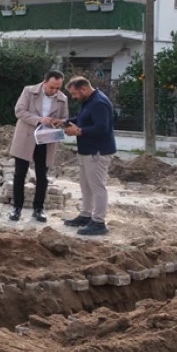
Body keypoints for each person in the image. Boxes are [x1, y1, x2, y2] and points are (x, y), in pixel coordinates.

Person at [8, 70, 69, 222]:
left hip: (46, 139)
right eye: (51, 87)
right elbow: (19, 111)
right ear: (44, 82)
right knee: (20, 173)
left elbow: (64, 118)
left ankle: (38, 209)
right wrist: (39, 119)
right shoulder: (29, 91)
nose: (54, 91)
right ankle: (17, 208)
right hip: (26, 136)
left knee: (42, 176)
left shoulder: (62, 98)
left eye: (58, 88)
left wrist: (59, 122)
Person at [58, 76, 115, 236]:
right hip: (86, 150)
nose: (73, 97)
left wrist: (78, 131)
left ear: (83, 89)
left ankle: (99, 222)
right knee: (86, 185)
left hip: (97, 152)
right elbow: (83, 119)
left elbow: (102, 128)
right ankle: (86, 215)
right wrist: (64, 122)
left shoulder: (99, 103)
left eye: (74, 93)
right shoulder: (89, 101)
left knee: (97, 187)